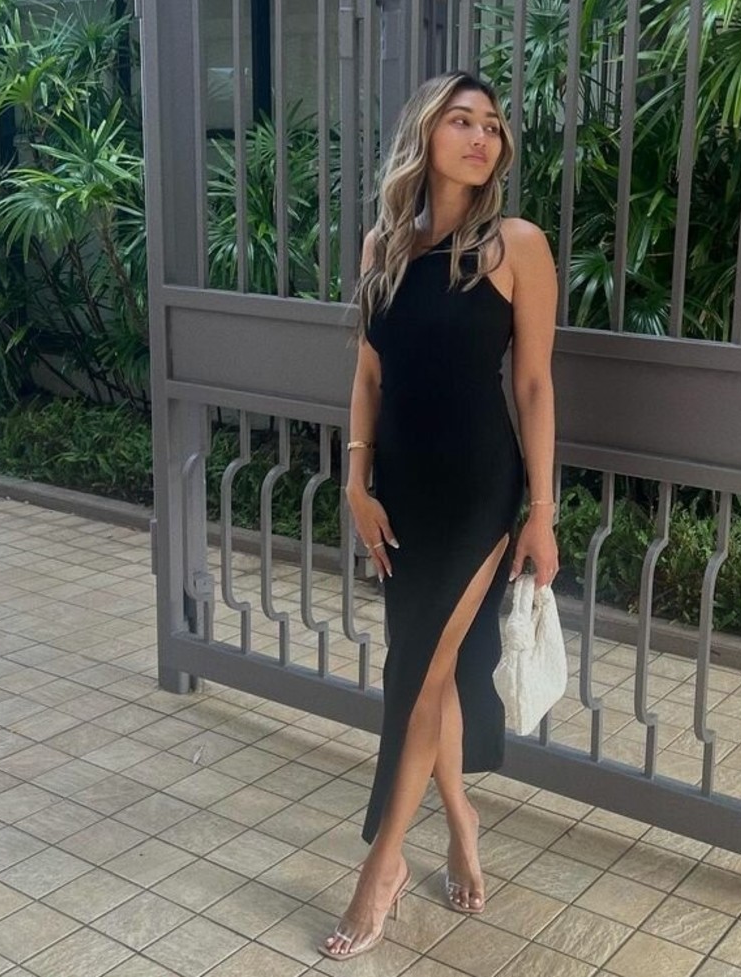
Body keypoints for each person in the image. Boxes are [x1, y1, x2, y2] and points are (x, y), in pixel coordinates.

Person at [320, 71, 559, 960]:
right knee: (436, 670)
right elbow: (369, 373)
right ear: (426, 133)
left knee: (416, 671)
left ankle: (381, 864)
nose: (481, 136)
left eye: (492, 124)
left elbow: (533, 386)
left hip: (478, 490)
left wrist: (542, 511)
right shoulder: (383, 245)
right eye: (462, 120)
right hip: (403, 488)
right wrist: (356, 481)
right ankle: (461, 820)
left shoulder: (517, 245)